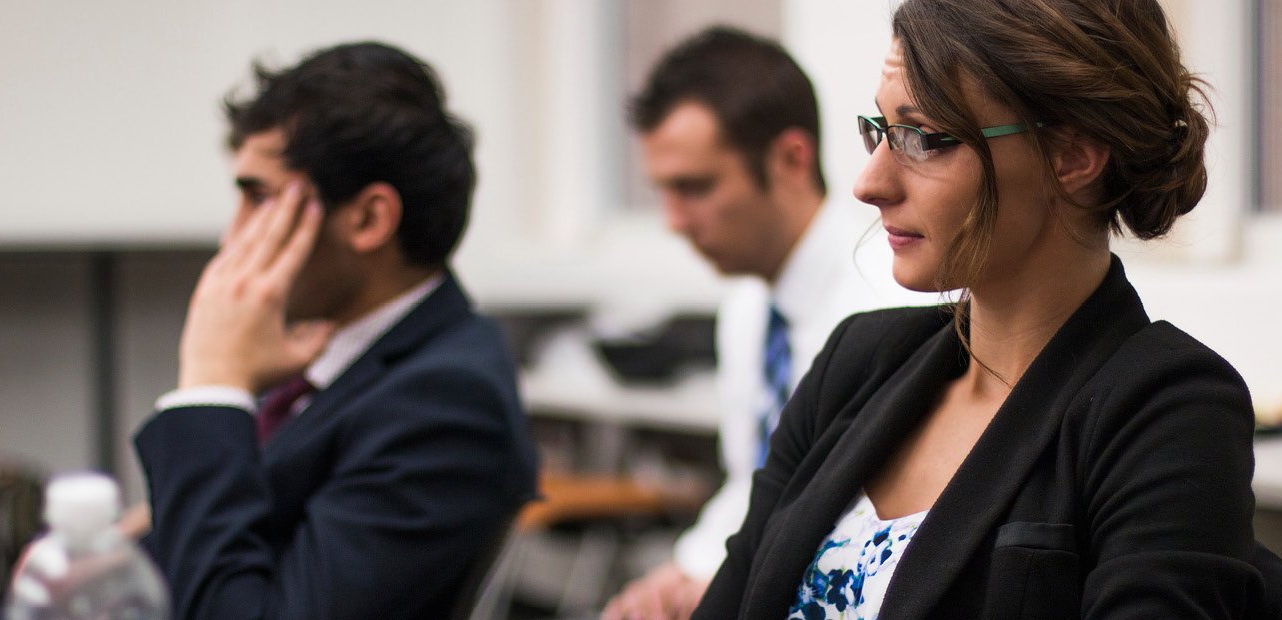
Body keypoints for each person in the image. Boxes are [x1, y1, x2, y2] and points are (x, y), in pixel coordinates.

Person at [692, 1, 1282, 618]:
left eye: (925, 138)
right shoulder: (854, 364)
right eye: (879, 130)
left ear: (1074, 156)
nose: (870, 183)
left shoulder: (1167, 410)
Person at [132, 42, 537, 620]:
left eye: (259, 198)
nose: (234, 236)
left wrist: (212, 386)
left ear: (369, 219)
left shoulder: (444, 403)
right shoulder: (340, 350)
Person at [602, 27, 935, 620]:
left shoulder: (895, 301)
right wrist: (687, 571)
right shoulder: (750, 305)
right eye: (663, 191)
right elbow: (753, 483)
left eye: (695, 188)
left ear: (790, 159)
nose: (673, 221)